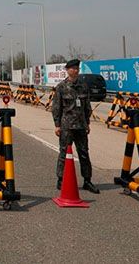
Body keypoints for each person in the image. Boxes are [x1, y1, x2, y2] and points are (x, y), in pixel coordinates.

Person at [52, 59, 99, 194]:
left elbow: (87, 107)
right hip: (66, 126)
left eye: (77, 68)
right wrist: (57, 125)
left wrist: (88, 123)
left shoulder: (83, 86)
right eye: (72, 68)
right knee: (63, 153)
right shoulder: (61, 87)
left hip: (81, 126)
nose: (75, 71)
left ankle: (87, 181)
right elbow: (56, 107)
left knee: (84, 153)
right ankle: (61, 179)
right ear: (67, 70)